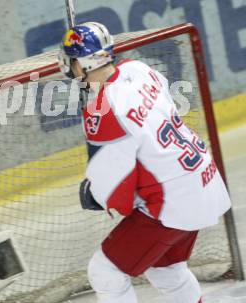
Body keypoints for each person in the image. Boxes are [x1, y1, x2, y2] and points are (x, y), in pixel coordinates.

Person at [58, 22, 231, 302]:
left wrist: (94, 194)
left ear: (79, 64)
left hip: (174, 200)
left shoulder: (102, 110)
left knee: (106, 273)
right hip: (203, 178)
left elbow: (112, 187)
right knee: (166, 270)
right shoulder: (137, 70)